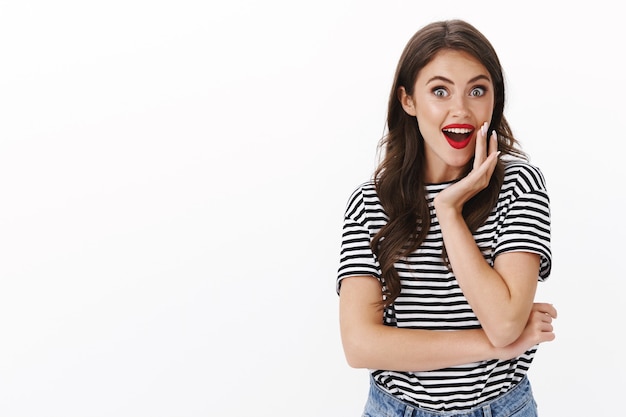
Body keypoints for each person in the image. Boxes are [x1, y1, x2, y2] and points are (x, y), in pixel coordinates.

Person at [336, 19, 557, 417]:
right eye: (440, 91)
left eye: (477, 90)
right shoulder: (370, 202)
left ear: (494, 99)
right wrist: (492, 345)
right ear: (408, 101)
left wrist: (449, 212)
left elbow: (506, 322)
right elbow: (360, 346)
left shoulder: (519, 184)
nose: (461, 109)